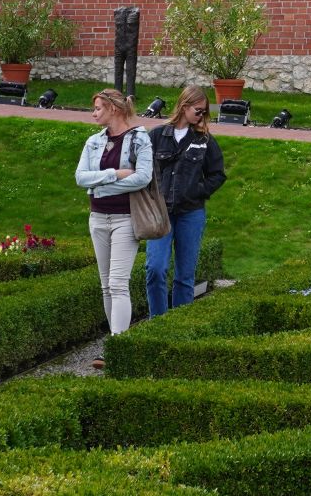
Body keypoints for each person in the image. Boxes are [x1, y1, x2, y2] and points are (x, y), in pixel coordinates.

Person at [73, 87, 155, 336]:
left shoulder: (140, 138)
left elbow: (142, 178)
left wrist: (100, 185)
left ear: (114, 109)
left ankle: (117, 344)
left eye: (98, 108)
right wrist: (114, 175)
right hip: (97, 217)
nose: (93, 114)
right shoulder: (94, 141)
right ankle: (113, 341)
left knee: (118, 284)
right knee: (106, 286)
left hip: (125, 219)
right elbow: (80, 178)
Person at [145, 84, 227, 318]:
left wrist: (197, 190)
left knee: (185, 275)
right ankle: (157, 323)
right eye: (198, 110)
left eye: (204, 112)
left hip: (191, 213)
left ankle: (178, 324)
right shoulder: (158, 135)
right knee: (155, 268)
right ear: (184, 106)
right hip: (160, 212)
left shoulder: (204, 140)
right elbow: (142, 169)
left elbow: (218, 174)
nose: (201, 116)